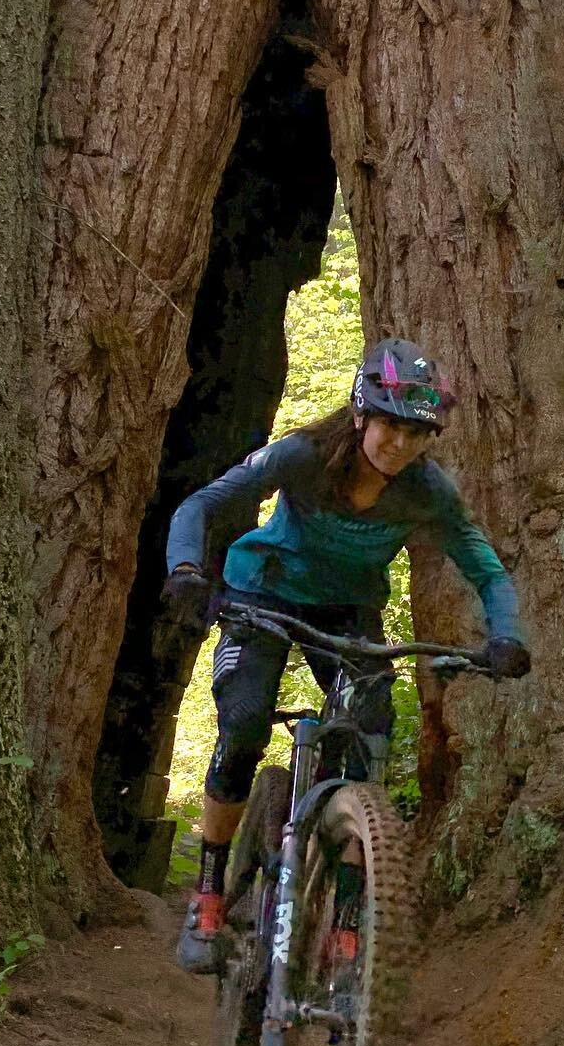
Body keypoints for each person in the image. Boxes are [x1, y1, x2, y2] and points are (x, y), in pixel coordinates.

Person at [161, 337, 531, 973]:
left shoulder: (427, 492)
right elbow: (202, 502)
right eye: (390, 425)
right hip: (264, 595)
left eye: (418, 433)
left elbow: (488, 571)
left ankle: (349, 917)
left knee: (366, 746)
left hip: (347, 612)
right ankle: (210, 892)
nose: (401, 444)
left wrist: (506, 635)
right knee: (245, 723)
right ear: (362, 414)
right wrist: (187, 570)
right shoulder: (305, 456)